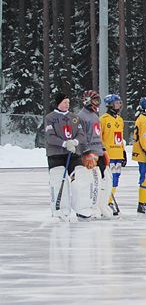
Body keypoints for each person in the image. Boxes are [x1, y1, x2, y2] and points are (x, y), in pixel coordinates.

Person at [45, 92, 91, 221]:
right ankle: (60, 208)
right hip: (56, 153)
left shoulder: (74, 118)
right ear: (58, 103)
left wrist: (75, 142)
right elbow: (50, 137)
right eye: (64, 102)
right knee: (58, 178)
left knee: (80, 175)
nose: (67, 105)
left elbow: (81, 134)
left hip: (73, 153)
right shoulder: (50, 117)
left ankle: (82, 208)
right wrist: (64, 143)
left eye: (68, 103)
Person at [77, 90, 112, 219]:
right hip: (90, 153)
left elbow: (98, 134)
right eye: (95, 100)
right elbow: (81, 137)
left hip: (99, 151)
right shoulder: (81, 117)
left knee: (106, 180)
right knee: (94, 181)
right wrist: (86, 152)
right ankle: (93, 207)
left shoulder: (95, 116)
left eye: (98, 101)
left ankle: (102, 205)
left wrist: (103, 149)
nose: (97, 103)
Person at [100, 93, 126, 215]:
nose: (119, 105)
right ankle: (104, 202)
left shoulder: (119, 120)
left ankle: (109, 201)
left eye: (119, 103)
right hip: (108, 155)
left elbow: (119, 138)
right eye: (116, 103)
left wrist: (123, 151)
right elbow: (99, 137)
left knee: (115, 180)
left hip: (118, 154)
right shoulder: (104, 119)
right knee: (107, 180)